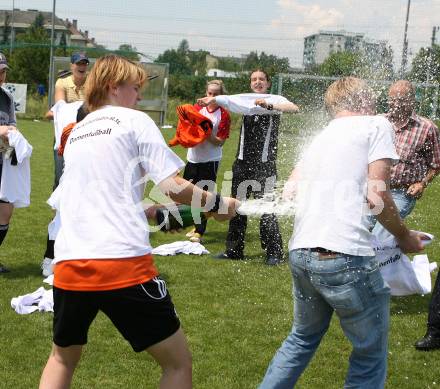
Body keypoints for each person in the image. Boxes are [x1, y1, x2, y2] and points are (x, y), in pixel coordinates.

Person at [38, 54, 239, 389]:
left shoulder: (77, 132)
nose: (140, 97)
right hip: (122, 264)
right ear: (114, 87)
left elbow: (99, 193)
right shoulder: (134, 121)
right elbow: (172, 186)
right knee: (177, 365)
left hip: (70, 264)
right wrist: (218, 203)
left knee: (62, 359)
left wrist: (150, 211)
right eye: (135, 88)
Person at [258, 77, 424, 389]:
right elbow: (377, 197)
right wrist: (404, 236)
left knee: (301, 338)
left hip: (301, 254)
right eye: (371, 94)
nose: (376, 101)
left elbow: (291, 190)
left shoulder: (321, 135)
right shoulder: (376, 125)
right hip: (344, 257)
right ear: (361, 99)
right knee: (370, 353)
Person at [198, 69, 299, 265]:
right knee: (236, 207)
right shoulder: (244, 101)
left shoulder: (275, 99)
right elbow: (225, 99)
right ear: (250, 83)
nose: (258, 82)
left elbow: (294, 108)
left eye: (262, 79)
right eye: (254, 79)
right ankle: (234, 250)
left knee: (267, 209)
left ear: (268, 83)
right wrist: (212, 100)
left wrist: (268, 104)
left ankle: (274, 252)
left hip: (265, 166)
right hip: (241, 164)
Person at [184, 80, 231, 243]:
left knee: (202, 196)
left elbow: (220, 141)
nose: (211, 96)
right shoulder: (198, 108)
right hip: (192, 158)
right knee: (190, 195)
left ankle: (199, 231)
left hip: (210, 160)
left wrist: (207, 134)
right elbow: (186, 126)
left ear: (221, 96)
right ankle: (199, 222)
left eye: (216, 94)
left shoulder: (224, 114)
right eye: (209, 93)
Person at [0, 52, 33, 273]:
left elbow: (12, 124)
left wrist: (13, 136)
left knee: (5, 211)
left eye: (3, 71)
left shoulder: (7, 98)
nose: (1, 75)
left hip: (2, 160)